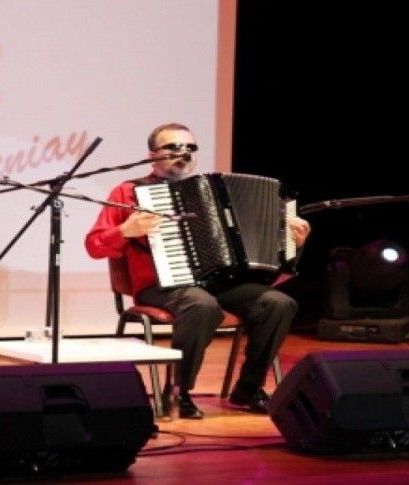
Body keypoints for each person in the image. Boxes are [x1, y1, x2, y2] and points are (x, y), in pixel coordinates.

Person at [85, 122, 310, 419]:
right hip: (160, 286)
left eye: (190, 148)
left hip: (219, 284)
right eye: (173, 147)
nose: (183, 153)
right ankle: (180, 391)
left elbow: (270, 254)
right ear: (152, 155)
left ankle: (248, 388)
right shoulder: (129, 192)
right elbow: (94, 246)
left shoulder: (211, 191)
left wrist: (294, 243)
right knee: (201, 305)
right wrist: (125, 230)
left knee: (279, 304)